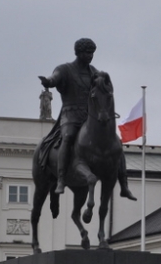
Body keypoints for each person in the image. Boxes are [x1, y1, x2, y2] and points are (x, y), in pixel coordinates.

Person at [38, 38, 134, 199]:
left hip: (91, 116)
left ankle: (124, 185)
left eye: (92, 53)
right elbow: (54, 78)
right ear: (78, 53)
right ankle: (61, 179)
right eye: (87, 53)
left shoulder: (94, 72)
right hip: (70, 115)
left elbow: (104, 88)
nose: (90, 56)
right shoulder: (65, 69)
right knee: (68, 137)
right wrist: (49, 81)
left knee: (116, 142)